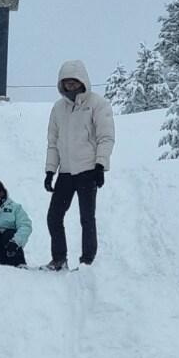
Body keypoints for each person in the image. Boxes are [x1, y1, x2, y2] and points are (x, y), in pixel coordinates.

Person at [43, 60, 115, 270]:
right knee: (54, 217)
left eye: (74, 82)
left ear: (83, 81)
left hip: (88, 171)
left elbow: (106, 137)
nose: (70, 87)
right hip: (65, 172)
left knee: (86, 218)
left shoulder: (97, 104)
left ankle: (87, 262)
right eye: (66, 83)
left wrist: (100, 165)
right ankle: (59, 259)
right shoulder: (58, 108)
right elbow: (53, 142)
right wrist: (50, 171)